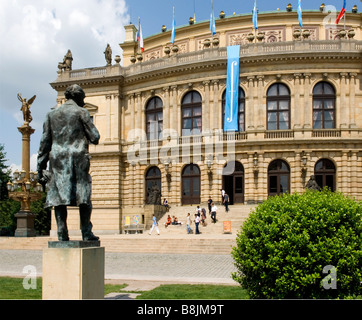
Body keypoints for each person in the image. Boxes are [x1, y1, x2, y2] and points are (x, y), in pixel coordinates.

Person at [37, 84, 100, 242]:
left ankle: (61, 232)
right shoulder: (82, 112)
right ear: (78, 97)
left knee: (58, 196)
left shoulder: (51, 115)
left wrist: (40, 167)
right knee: (83, 195)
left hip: (57, 158)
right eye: (83, 98)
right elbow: (95, 137)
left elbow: (44, 142)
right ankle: (86, 232)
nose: (84, 101)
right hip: (78, 157)